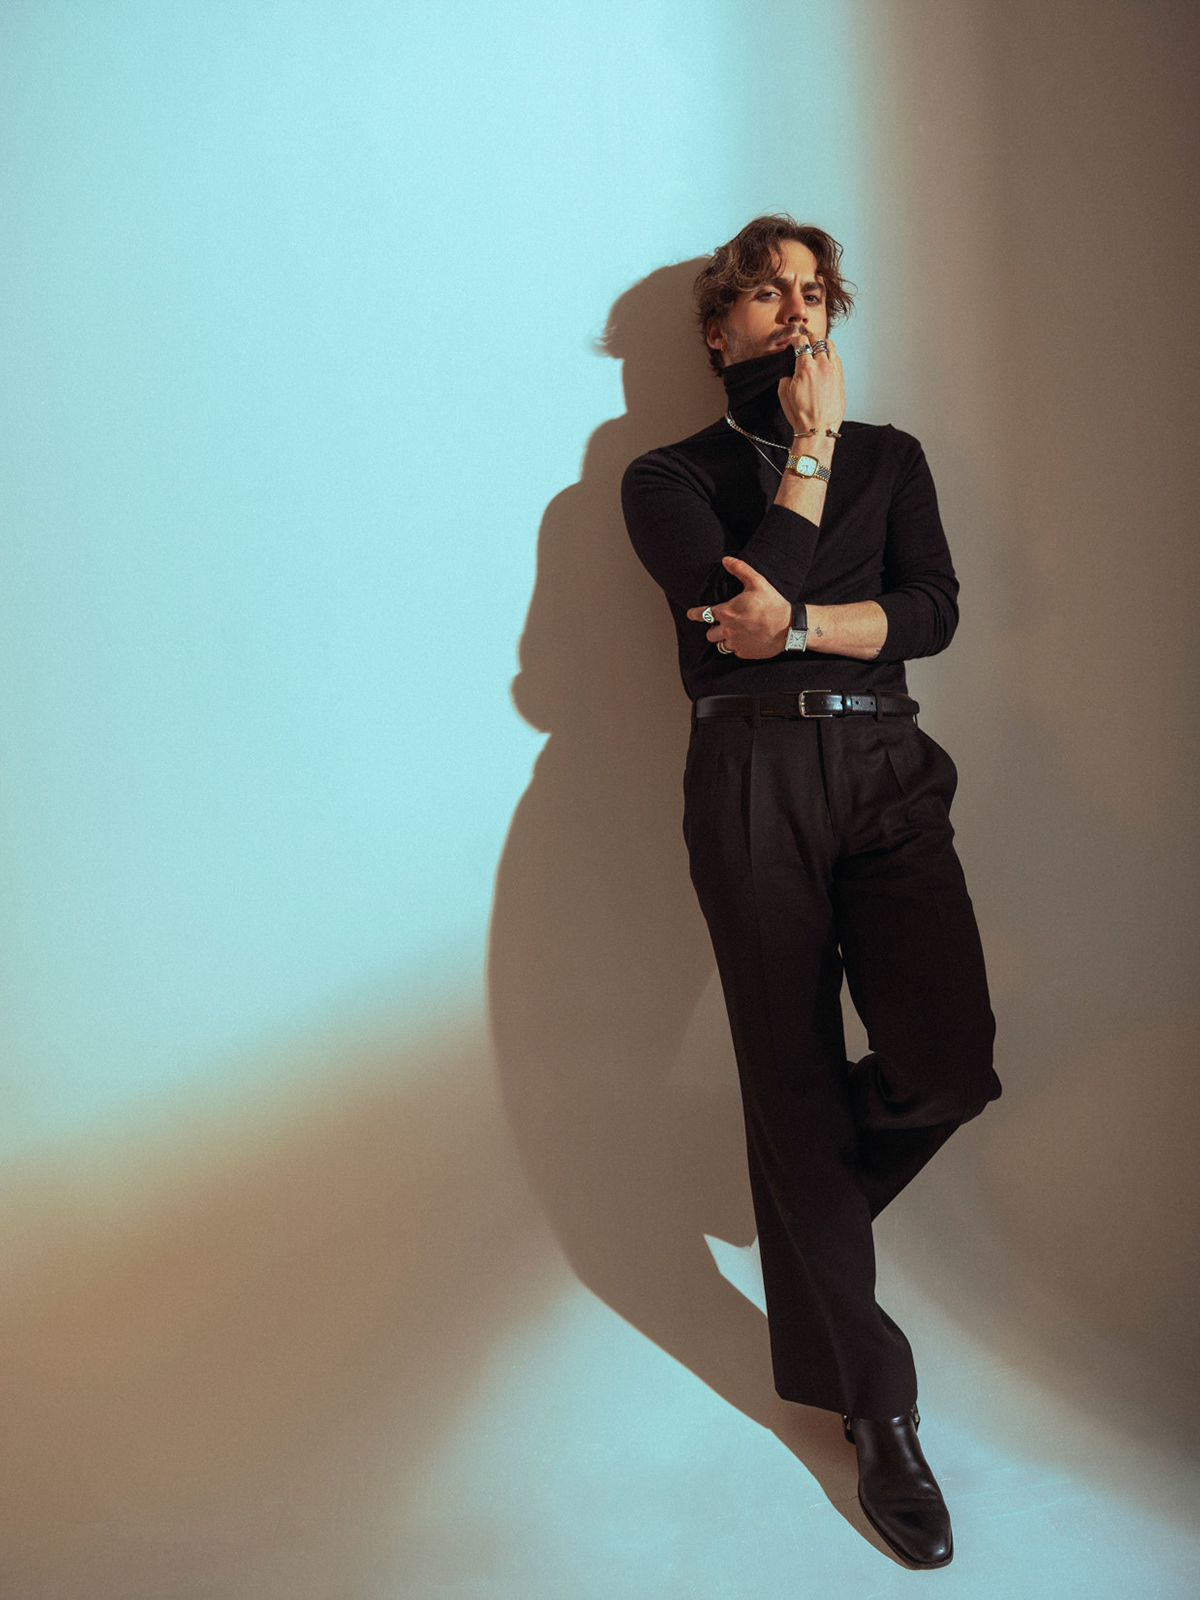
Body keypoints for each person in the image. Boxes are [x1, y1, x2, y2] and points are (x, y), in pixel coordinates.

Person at [620, 215, 1002, 1569]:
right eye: (768, 293)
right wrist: (811, 454)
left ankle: (804, 1196)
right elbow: (734, 623)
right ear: (717, 328)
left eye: (815, 291)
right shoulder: (665, 479)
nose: (798, 310)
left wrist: (803, 628)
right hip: (750, 777)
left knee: (949, 1061)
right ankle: (881, 1413)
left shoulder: (897, 458)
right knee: (788, 1081)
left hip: (888, 762)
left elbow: (933, 611)